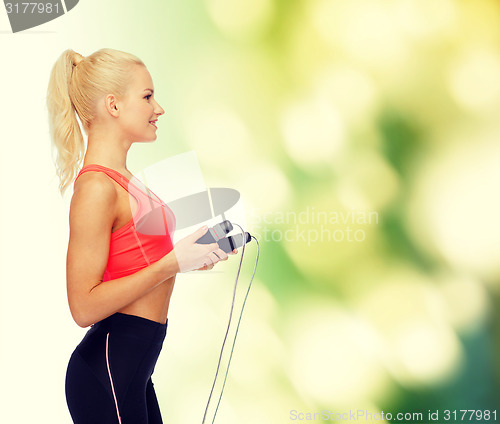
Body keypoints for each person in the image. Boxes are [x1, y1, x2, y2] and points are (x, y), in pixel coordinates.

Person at [46, 48, 235, 424]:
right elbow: (82, 308)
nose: (159, 108)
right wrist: (172, 263)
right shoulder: (97, 187)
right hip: (107, 373)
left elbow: (139, 261)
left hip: (132, 372)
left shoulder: (126, 181)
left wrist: (190, 257)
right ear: (113, 106)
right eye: (148, 97)